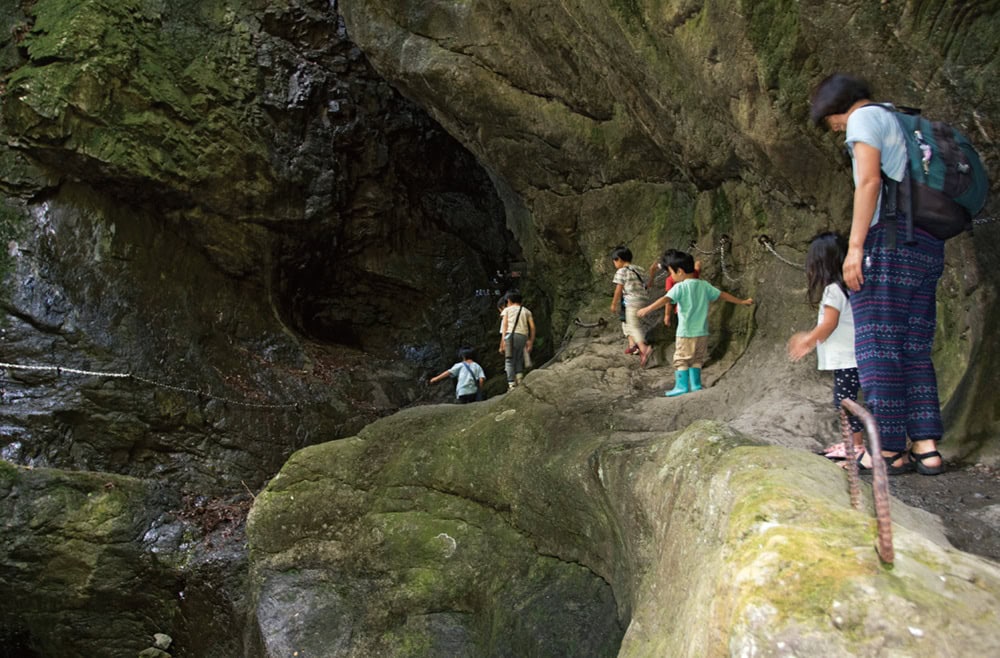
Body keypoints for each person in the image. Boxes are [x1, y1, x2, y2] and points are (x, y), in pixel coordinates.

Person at [810, 73, 944, 475]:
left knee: (877, 347)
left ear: (839, 106)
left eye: (829, 119)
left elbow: (868, 181)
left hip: (887, 245)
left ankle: (886, 450)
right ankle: (926, 446)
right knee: (914, 349)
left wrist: (854, 249)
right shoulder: (900, 119)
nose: (834, 129)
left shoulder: (863, 119)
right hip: (927, 245)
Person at [787, 232, 865, 459]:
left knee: (846, 401)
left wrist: (808, 340)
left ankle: (855, 447)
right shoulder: (848, 286)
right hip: (854, 355)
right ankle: (851, 443)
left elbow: (829, 324)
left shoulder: (833, 290)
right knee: (847, 400)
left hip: (847, 358)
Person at [638, 250, 753, 396]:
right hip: (702, 332)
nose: (671, 277)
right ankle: (696, 385)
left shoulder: (680, 287)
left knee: (681, 359)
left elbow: (666, 299)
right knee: (697, 359)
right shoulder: (704, 285)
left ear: (679, 271)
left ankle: (682, 386)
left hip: (686, 332)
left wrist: (647, 308)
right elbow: (722, 295)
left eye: (671, 273)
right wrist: (742, 301)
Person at [610, 246, 651, 367]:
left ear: (619, 259)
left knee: (634, 326)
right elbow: (647, 283)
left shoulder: (621, 271)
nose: (615, 264)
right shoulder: (639, 269)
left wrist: (613, 304)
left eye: (614, 261)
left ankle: (644, 349)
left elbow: (618, 289)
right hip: (643, 300)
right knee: (632, 323)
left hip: (632, 301)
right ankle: (634, 346)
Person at [647, 249, 702, 326]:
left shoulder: (670, 280)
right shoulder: (693, 273)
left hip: (682, 311)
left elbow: (668, 300)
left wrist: (667, 315)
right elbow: (698, 265)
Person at [498, 290, 536, 389]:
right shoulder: (526, 311)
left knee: (509, 361)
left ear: (509, 300)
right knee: (518, 358)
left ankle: (511, 385)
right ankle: (520, 380)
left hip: (510, 336)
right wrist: (531, 341)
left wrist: (503, 340)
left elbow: (505, 325)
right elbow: (532, 327)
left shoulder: (507, 310)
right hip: (523, 336)